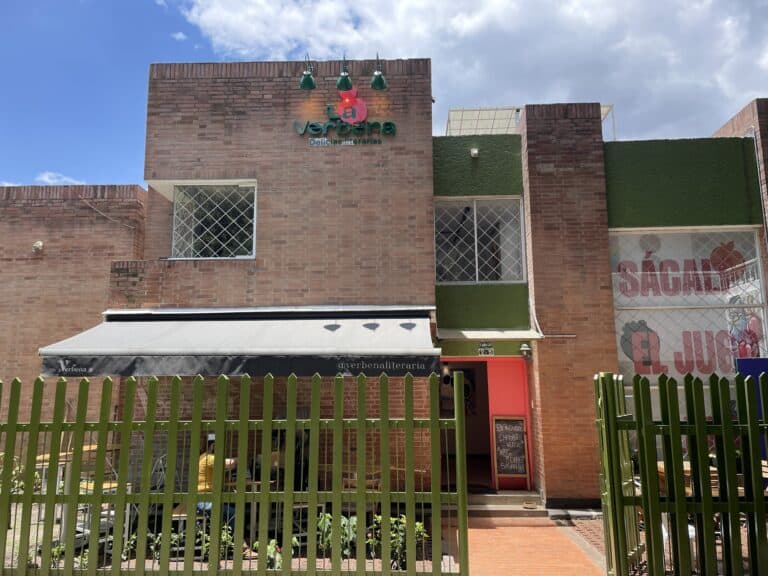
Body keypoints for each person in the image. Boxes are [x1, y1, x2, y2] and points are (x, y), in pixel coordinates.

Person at [197, 434, 258, 559]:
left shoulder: (204, 457)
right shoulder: (209, 458)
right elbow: (231, 463)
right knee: (235, 513)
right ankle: (242, 549)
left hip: (206, 497)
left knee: (233, 508)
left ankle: (238, 541)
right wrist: (241, 458)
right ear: (213, 446)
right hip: (205, 500)